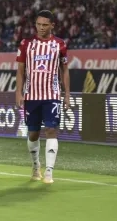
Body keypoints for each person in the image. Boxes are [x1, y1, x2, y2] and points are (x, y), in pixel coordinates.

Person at [15, 10, 71, 184]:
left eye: (45, 25)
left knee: (51, 130)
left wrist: (67, 94)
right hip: (31, 95)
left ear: (52, 25)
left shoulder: (60, 45)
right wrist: (18, 92)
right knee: (33, 133)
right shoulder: (26, 44)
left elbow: (65, 70)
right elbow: (20, 70)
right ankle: (36, 165)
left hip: (52, 94)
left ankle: (49, 172)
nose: (41, 28)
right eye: (38, 24)